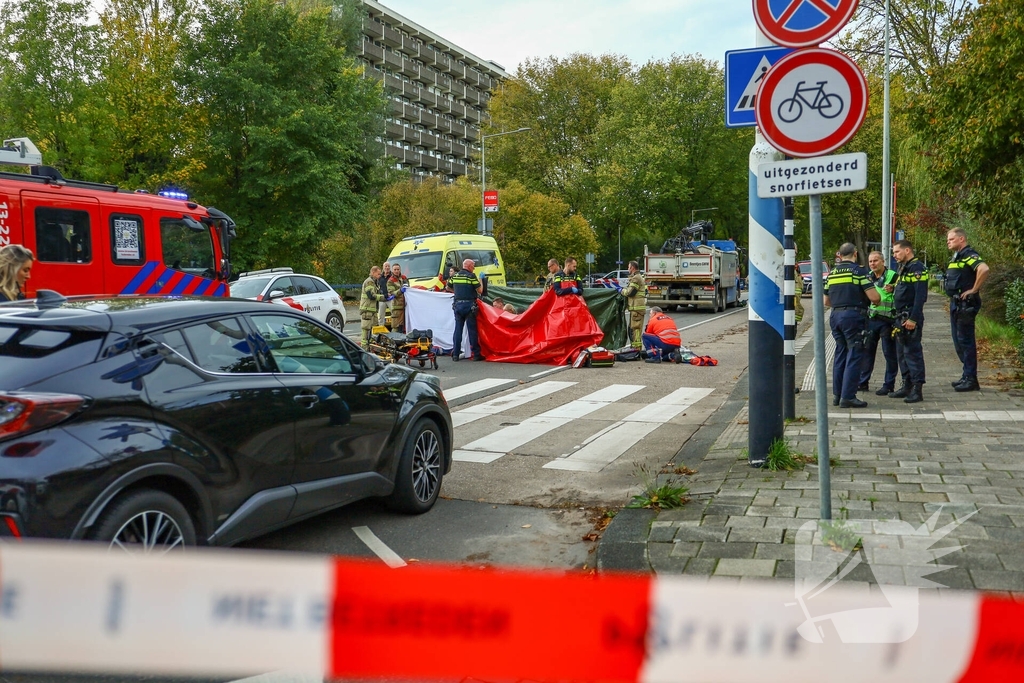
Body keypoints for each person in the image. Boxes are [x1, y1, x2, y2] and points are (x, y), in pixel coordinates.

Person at [824, 243, 880, 408]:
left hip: (835, 316)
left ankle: (837, 395)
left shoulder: (832, 273)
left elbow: (826, 301)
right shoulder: (859, 271)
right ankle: (848, 396)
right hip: (854, 317)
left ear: (839, 255)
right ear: (855, 254)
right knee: (854, 355)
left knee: (840, 354)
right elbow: (874, 297)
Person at [945, 227, 990, 392]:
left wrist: (974, 289)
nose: (948, 242)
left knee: (965, 341)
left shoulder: (969, 255)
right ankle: (966, 375)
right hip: (956, 303)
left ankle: (971, 379)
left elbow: (983, 269)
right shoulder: (957, 256)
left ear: (961, 239)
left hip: (966, 304)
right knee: (958, 341)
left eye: (951, 239)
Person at [890, 239, 929, 403]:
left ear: (907, 250)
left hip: (910, 317)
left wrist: (913, 318)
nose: (894, 255)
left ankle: (917, 389)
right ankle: (907, 385)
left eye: (897, 252)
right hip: (900, 317)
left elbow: (920, 297)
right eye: (893, 252)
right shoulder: (904, 268)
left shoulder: (917, 268)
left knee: (913, 354)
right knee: (902, 354)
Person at [858, 250, 899, 396]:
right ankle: (862, 382)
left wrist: (894, 289)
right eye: (870, 261)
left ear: (882, 261)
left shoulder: (893, 276)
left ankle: (889, 384)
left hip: (888, 321)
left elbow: (902, 294)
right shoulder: (867, 277)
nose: (872, 264)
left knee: (889, 353)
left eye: (875, 261)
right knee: (867, 352)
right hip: (871, 319)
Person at [450, 258, 484, 361]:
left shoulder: (455, 276)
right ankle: (476, 354)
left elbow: (448, 287)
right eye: (473, 266)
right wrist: (481, 280)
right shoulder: (471, 276)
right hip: (469, 306)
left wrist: (457, 292)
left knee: (458, 330)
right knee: (472, 331)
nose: (474, 268)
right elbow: (480, 290)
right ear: (469, 266)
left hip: (458, 305)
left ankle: (455, 354)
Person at [621, 260, 646, 350]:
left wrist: (621, 291)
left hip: (637, 309)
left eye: (628, 267)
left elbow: (630, 292)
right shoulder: (636, 277)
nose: (628, 269)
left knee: (635, 330)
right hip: (635, 309)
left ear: (632, 268)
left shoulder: (636, 278)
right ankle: (635, 348)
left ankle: (636, 350)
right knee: (633, 330)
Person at [359, 266, 385, 349]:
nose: (380, 275)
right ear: (373, 272)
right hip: (367, 310)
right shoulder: (369, 282)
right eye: (378, 274)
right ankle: (364, 347)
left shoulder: (374, 282)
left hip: (372, 310)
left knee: (374, 328)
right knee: (366, 329)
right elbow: (371, 296)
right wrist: (383, 297)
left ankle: (371, 346)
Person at [386, 263, 409, 333]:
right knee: (396, 327)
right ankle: (394, 342)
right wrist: (400, 290)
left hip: (405, 306)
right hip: (397, 307)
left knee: (404, 327)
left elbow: (409, 288)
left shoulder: (404, 278)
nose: (396, 271)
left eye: (398, 269)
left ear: (400, 270)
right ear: (392, 270)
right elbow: (392, 293)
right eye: (395, 269)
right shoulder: (390, 281)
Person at [377, 261, 391, 326]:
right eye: (386, 266)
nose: (387, 267)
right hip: (382, 298)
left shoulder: (392, 276)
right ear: (383, 267)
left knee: (394, 314)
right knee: (381, 316)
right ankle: (381, 329)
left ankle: (395, 328)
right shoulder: (379, 277)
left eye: (388, 266)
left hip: (391, 298)